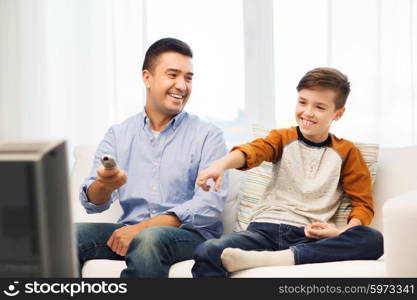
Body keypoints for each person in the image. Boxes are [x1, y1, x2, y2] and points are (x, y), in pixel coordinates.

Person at [192, 67, 383, 277]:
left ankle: (279, 258)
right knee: (207, 251)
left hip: (310, 235)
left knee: (373, 240)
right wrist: (221, 165)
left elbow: (362, 204)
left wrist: (342, 232)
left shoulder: (347, 152)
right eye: (302, 102)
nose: (307, 112)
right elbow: (254, 151)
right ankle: (288, 256)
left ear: (338, 113)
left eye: (319, 107)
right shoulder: (282, 138)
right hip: (264, 231)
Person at [76, 38, 228, 278]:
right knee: (69, 238)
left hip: (187, 236)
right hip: (130, 231)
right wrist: (103, 185)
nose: (182, 85)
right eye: (173, 75)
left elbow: (208, 207)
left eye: (188, 78)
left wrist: (141, 229)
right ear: (147, 78)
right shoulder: (118, 134)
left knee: (148, 239)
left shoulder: (208, 136)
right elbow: (92, 202)